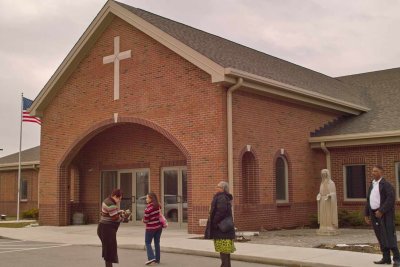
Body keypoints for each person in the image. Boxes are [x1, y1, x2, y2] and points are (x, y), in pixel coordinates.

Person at [364, 165, 400, 266]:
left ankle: (397, 259)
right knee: (380, 236)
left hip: (385, 215)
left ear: (381, 172)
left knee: (389, 236)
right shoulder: (372, 185)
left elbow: (390, 199)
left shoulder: (386, 185)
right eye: (372, 171)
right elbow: (368, 200)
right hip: (374, 214)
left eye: (375, 171)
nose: (373, 173)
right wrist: (366, 214)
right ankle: (386, 258)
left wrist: (381, 210)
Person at [204, 181, 235, 267]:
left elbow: (221, 212)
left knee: (224, 251)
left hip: (222, 229)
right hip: (224, 229)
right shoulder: (224, 197)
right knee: (225, 252)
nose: (216, 188)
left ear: (222, 189)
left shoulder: (221, 198)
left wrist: (214, 222)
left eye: (218, 186)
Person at [97, 189, 126, 267]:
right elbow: (115, 218)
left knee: (108, 250)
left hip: (102, 228)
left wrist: (119, 212)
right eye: (119, 199)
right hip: (107, 230)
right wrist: (124, 218)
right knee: (109, 251)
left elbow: (108, 213)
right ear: (115, 196)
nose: (119, 201)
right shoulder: (111, 204)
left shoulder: (107, 200)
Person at [142, 192, 163, 265]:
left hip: (150, 228)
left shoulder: (148, 209)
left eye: (147, 198)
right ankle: (157, 260)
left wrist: (143, 220)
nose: (146, 199)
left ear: (151, 199)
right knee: (157, 243)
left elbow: (145, 220)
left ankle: (151, 258)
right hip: (159, 227)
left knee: (147, 242)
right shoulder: (158, 206)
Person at [316, 169, 338, 235]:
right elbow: (320, 192)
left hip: (329, 201)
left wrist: (329, 195)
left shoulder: (331, 183)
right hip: (322, 201)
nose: (323, 175)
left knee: (328, 213)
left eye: (324, 174)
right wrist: (319, 195)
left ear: (327, 174)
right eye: (322, 174)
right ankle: (323, 226)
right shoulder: (321, 183)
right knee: (323, 213)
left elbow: (334, 193)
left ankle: (330, 226)